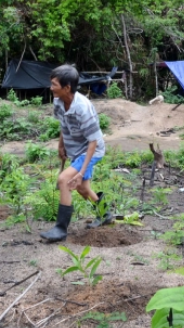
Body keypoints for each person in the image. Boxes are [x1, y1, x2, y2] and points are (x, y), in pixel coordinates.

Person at [40, 65, 111, 242]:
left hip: (90, 150)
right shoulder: (58, 101)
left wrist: (80, 172)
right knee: (82, 188)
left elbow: (93, 142)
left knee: (64, 180)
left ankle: (60, 229)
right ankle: (105, 214)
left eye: (54, 84)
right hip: (76, 149)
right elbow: (63, 124)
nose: (51, 87)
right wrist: (61, 145)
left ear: (67, 88)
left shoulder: (82, 108)